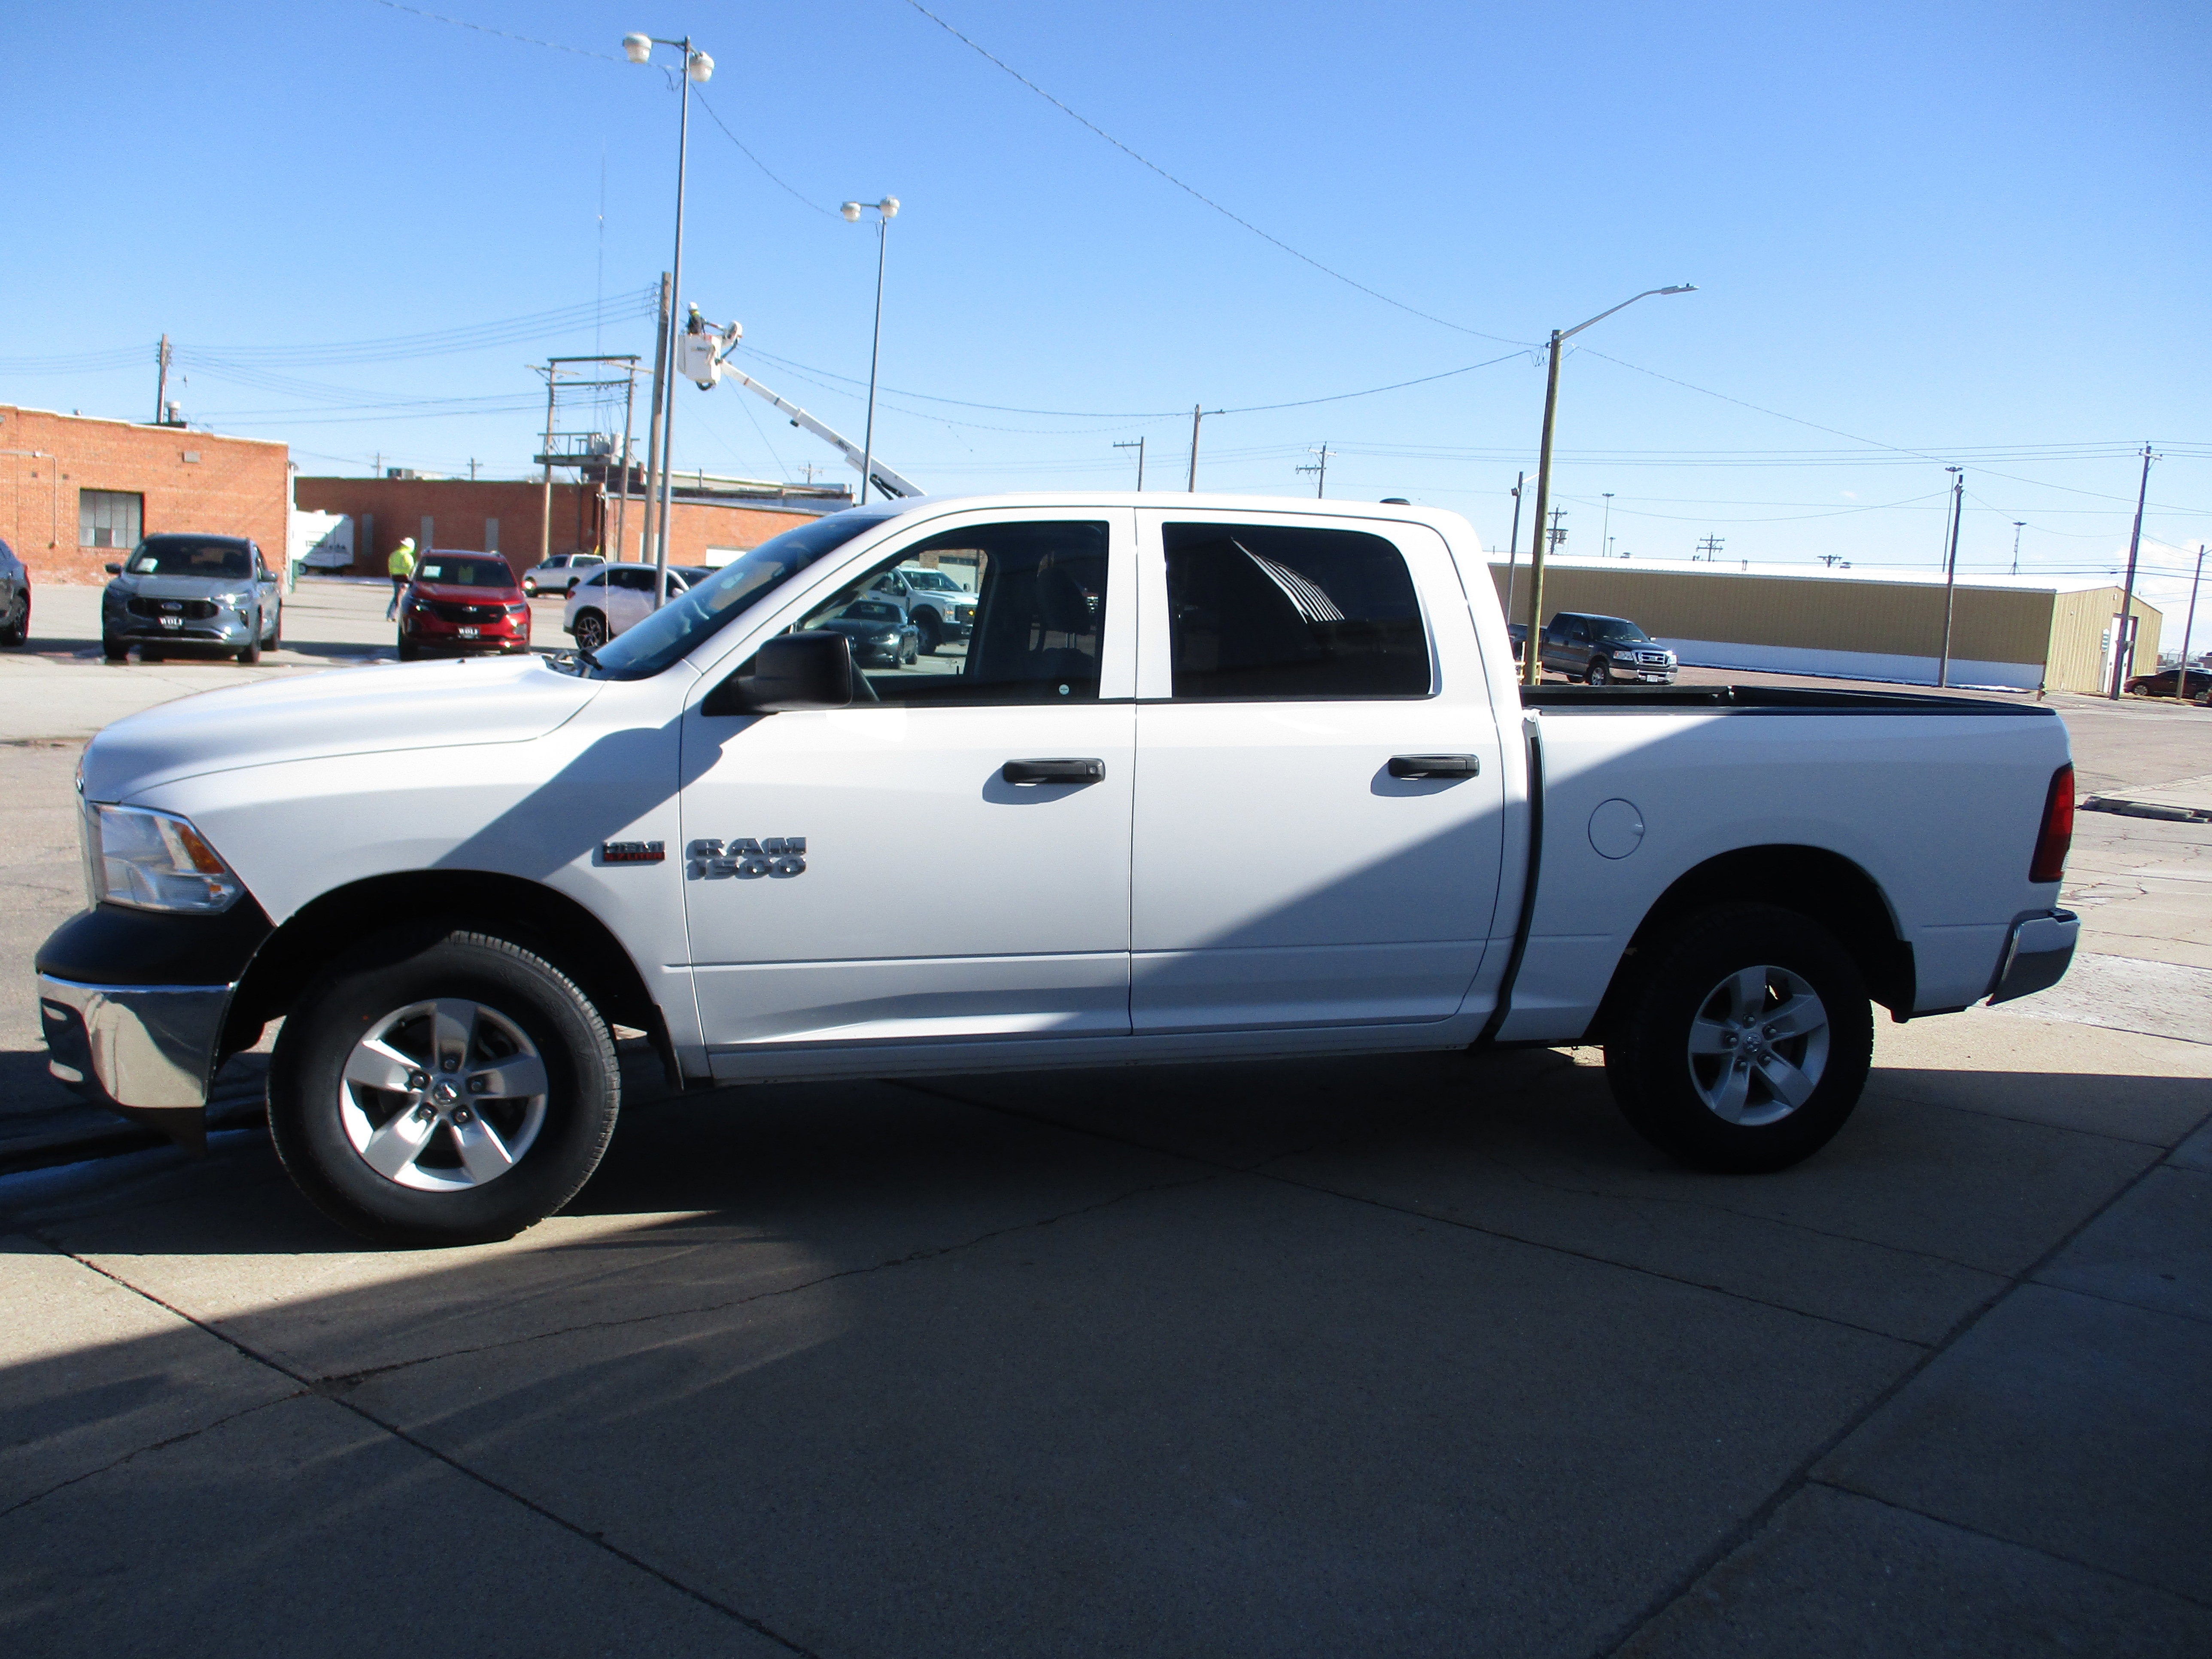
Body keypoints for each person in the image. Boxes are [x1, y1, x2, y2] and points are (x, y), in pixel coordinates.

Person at [386, 537, 416, 620]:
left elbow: (390, 565)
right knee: (399, 598)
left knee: (397, 596)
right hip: (404, 578)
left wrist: (392, 574)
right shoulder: (407, 556)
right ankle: (392, 615)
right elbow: (411, 568)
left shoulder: (394, 554)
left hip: (395, 577)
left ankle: (391, 615)